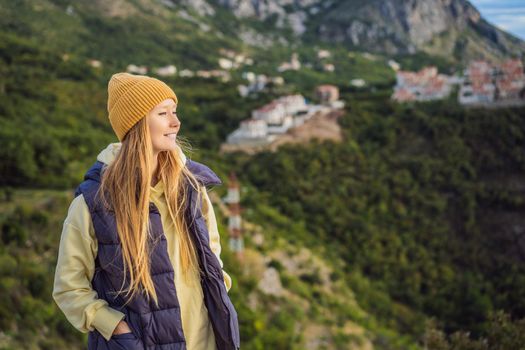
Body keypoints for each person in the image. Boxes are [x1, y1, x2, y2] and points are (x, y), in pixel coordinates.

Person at [53, 73, 240, 350]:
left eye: (174, 112)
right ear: (136, 124)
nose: (175, 122)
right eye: (163, 113)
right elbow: (69, 287)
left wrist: (219, 293)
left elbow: (212, 257)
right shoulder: (94, 202)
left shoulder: (191, 188)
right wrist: (116, 327)